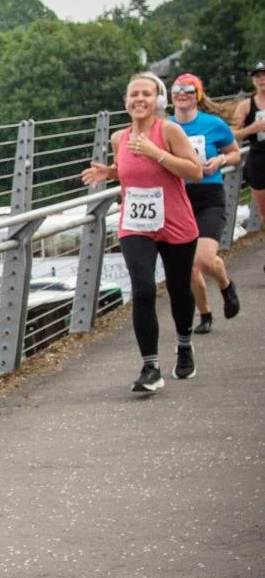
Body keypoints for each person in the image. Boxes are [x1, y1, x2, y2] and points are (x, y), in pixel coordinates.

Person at [82, 71, 202, 395]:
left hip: (176, 222)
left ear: (158, 100)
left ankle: (184, 343)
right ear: (125, 101)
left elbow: (195, 171)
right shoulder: (119, 139)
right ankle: (151, 366)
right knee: (144, 289)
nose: (139, 99)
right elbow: (127, 171)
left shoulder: (170, 131)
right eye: (133, 94)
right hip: (135, 224)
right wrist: (109, 172)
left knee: (179, 290)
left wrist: (155, 152)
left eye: (146, 94)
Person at [168, 73, 241, 333]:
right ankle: (205, 314)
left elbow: (234, 153)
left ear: (197, 95)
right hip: (178, 198)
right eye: (177, 89)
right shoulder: (165, 127)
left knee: (206, 259)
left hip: (209, 196)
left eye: (188, 90)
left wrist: (219, 161)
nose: (181, 94)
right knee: (190, 266)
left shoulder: (213, 124)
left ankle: (226, 285)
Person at [233, 60, 265, 248]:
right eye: (258, 77)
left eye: (264, 76)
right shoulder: (246, 105)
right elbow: (231, 134)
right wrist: (251, 128)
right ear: (253, 81)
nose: (262, 80)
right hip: (259, 158)